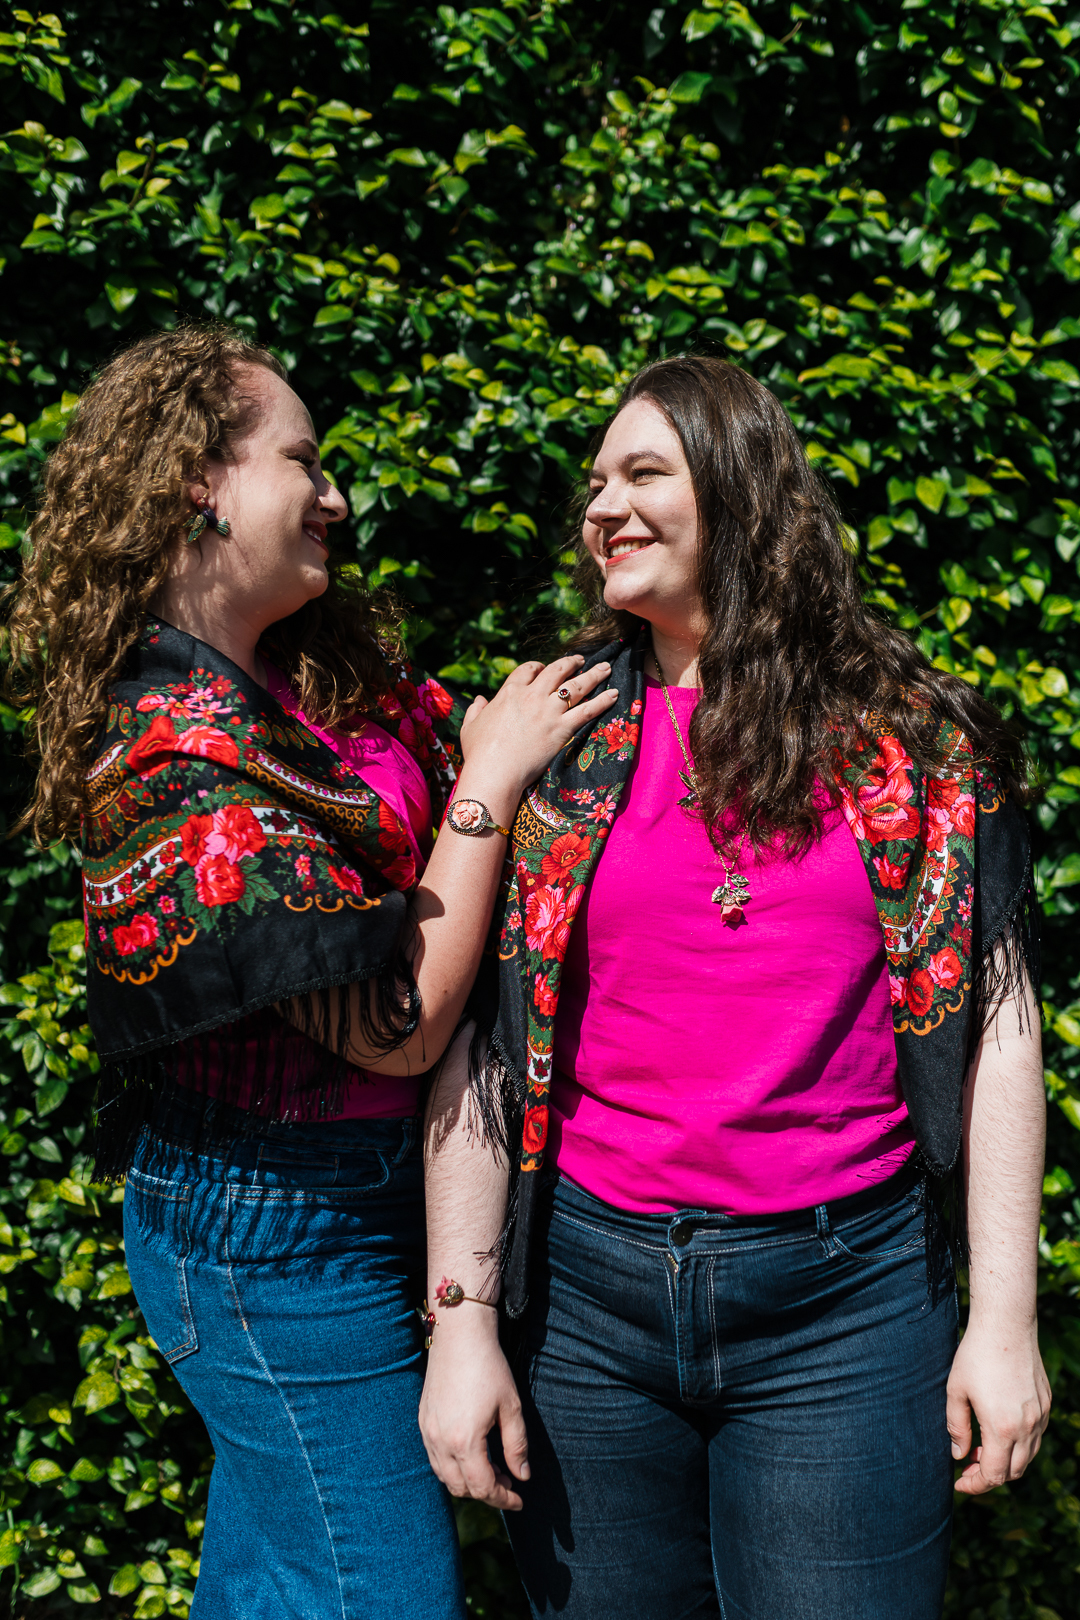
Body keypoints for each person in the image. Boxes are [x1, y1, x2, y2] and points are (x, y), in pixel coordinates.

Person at [419, 355, 1051, 1620]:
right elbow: (483, 1049)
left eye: (644, 472)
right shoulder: (556, 739)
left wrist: (1004, 1320)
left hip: (849, 1309)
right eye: (596, 483)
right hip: (589, 1316)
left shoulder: (914, 741)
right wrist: (464, 1322)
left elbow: (997, 1032)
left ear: (743, 493)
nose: (603, 506)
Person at [4, 324, 619, 1620]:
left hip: (361, 1206)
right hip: (272, 1240)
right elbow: (397, 1026)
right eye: (305, 461)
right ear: (200, 486)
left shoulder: (303, 676)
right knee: (379, 1591)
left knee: (277, 1584)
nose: (336, 495)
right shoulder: (172, 762)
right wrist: (496, 780)